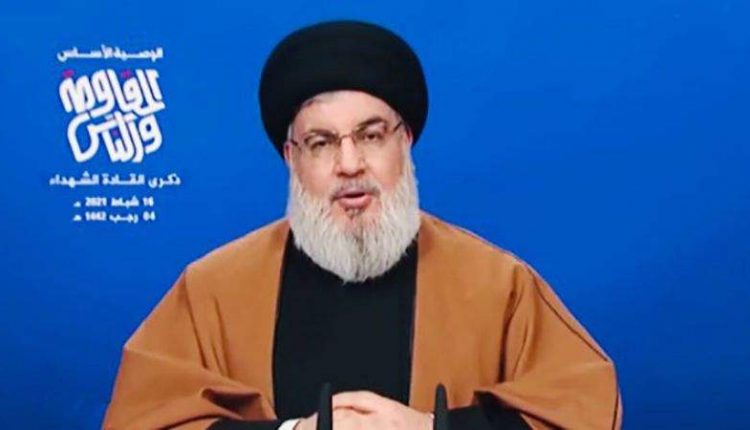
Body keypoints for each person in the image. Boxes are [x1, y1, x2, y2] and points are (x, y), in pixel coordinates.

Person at [103, 20, 622, 430]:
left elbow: (581, 410)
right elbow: (144, 418)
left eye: (371, 136)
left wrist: (433, 428)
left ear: (405, 141)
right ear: (291, 157)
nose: (349, 164)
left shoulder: (497, 284)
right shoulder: (213, 290)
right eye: (321, 143)